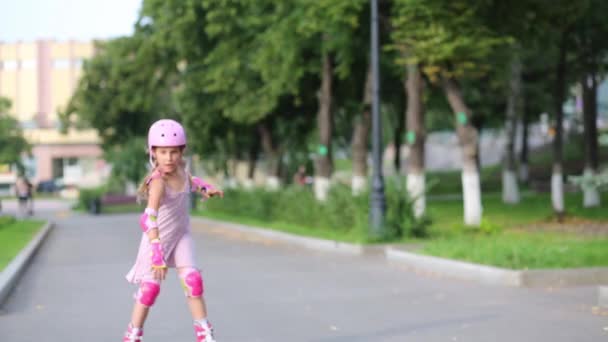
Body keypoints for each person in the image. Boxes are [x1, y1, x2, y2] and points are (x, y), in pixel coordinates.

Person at [123, 119, 223, 342]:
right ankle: (133, 335)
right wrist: (156, 252)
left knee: (193, 280)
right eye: (163, 152)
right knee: (149, 290)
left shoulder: (181, 172)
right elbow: (148, 218)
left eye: (174, 152)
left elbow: (191, 181)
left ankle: (204, 333)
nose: (169, 158)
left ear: (182, 152)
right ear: (153, 153)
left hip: (181, 235)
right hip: (157, 239)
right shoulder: (158, 182)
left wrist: (206, 187)